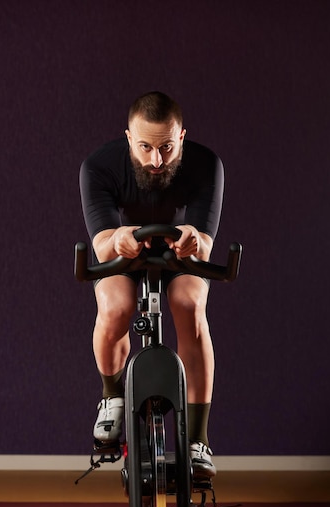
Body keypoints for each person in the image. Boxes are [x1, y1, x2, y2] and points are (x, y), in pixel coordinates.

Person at [80, 91, 224, 479]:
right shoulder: (99, 166)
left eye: (166, 148)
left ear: (181, 137)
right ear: (129, 138)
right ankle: (112, 396)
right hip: (123, 251)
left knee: (191, 307)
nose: (156, 161)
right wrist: (118, 240)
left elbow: (205, 244)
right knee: (115, 307)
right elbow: (101, 242)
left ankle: (197, 438)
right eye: (145, 147)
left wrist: (194, 240)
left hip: (180, 253)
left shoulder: (206, 164)